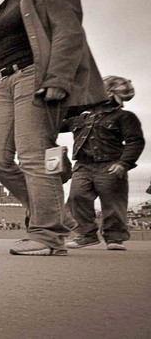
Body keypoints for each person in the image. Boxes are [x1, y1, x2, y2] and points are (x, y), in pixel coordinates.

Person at [0, 0, 108, 255]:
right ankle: (57, 217)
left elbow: (68, 30)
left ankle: (47, 235)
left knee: (33, 155)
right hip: (3, 83)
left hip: (36, 75)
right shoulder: (6, 3)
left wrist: (58, 78)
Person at [62, 76, 145, 251]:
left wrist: (124, 163)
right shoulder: (79, 117)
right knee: (77, 197)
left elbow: (135, 141)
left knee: (113, 202)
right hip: (82, 166)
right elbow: (55, 122)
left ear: (110, 92)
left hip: (111, 164)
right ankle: (86, 235)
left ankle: (115, 237)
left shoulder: (124, 116)